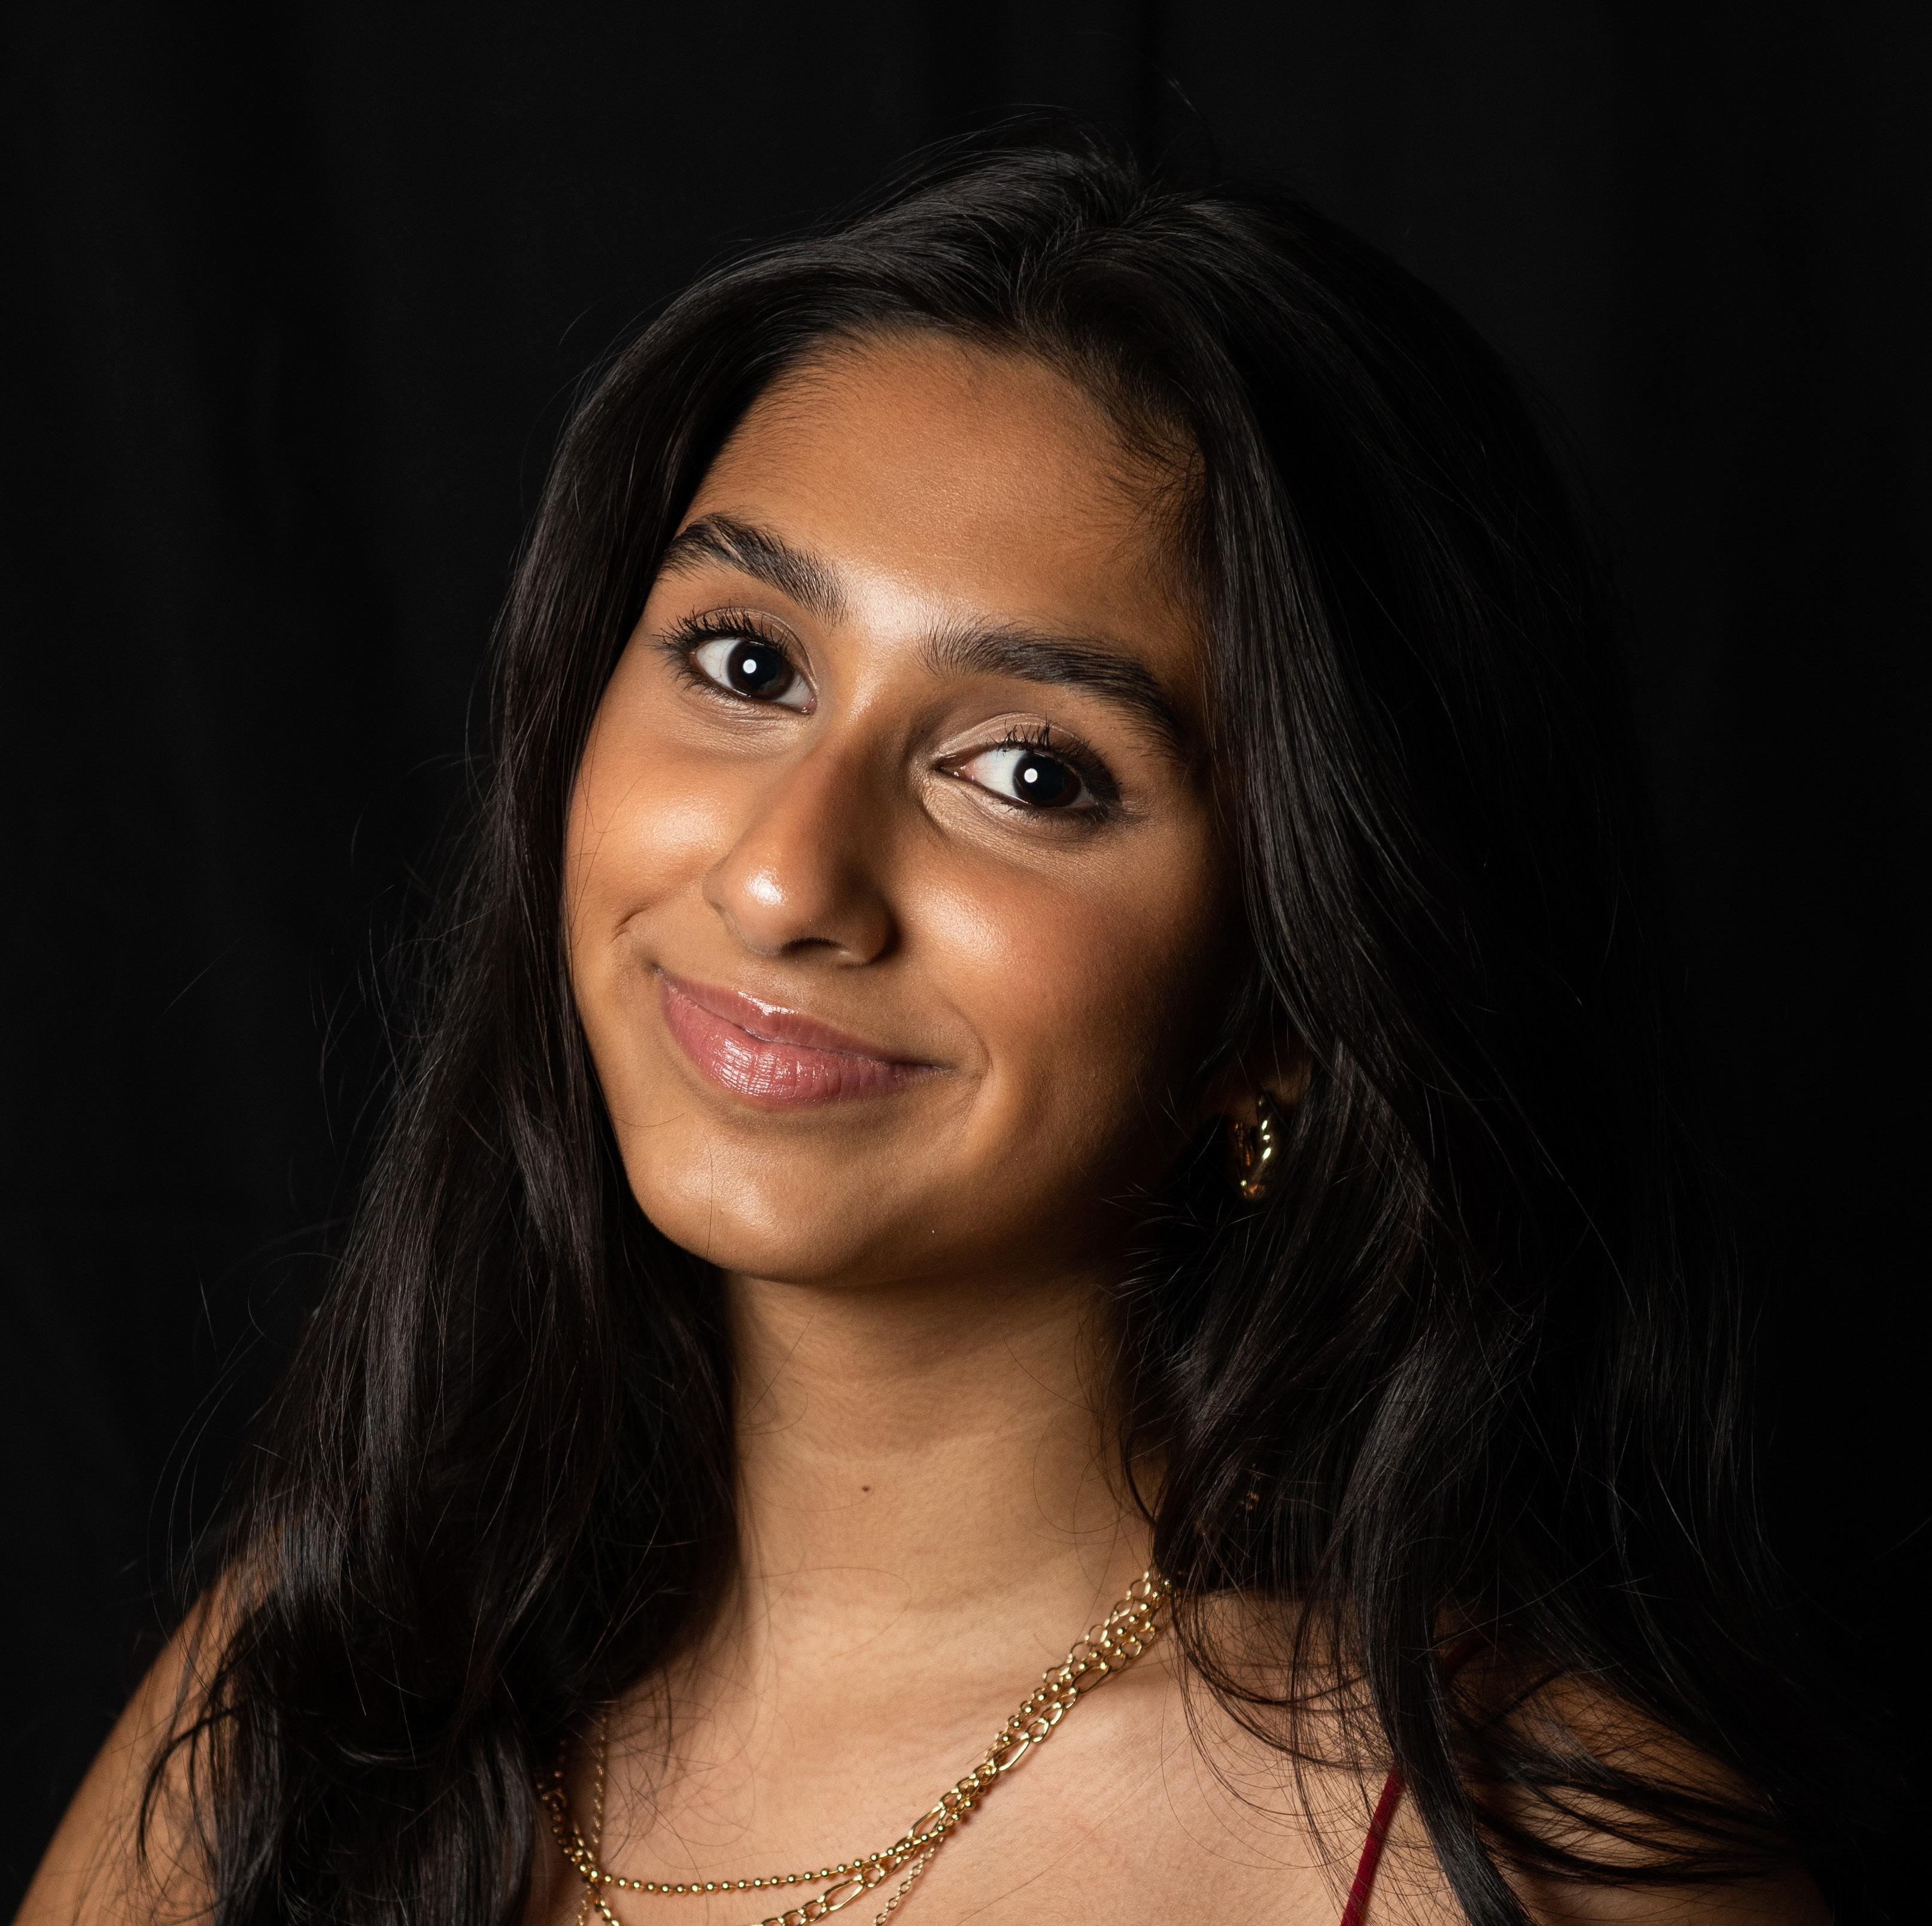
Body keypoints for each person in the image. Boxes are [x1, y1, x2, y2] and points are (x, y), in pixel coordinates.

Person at [20, 127, 1844, 1926]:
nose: (781, 878)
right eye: (747, 663)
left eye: (1033, 772)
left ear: (1291, 992)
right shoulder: (323, 1680)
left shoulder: (1518, 1869)